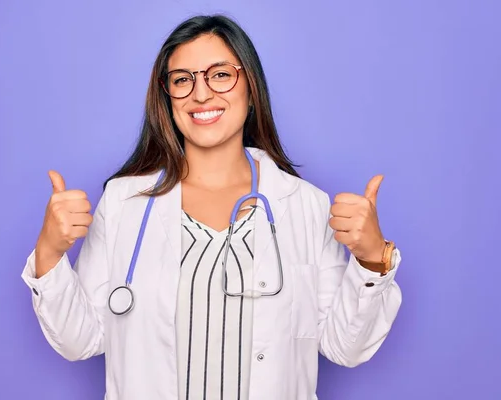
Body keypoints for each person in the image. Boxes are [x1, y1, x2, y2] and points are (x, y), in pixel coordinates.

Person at [21, 14, 402, 400]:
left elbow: (345, 347)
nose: (200, 94)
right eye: (182, 80)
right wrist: (50, 253)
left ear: (251, 89)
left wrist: (372, 258)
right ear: (167, 99)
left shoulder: (305, 205)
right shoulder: (123, 203)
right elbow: (79, 339)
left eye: (220, 75)